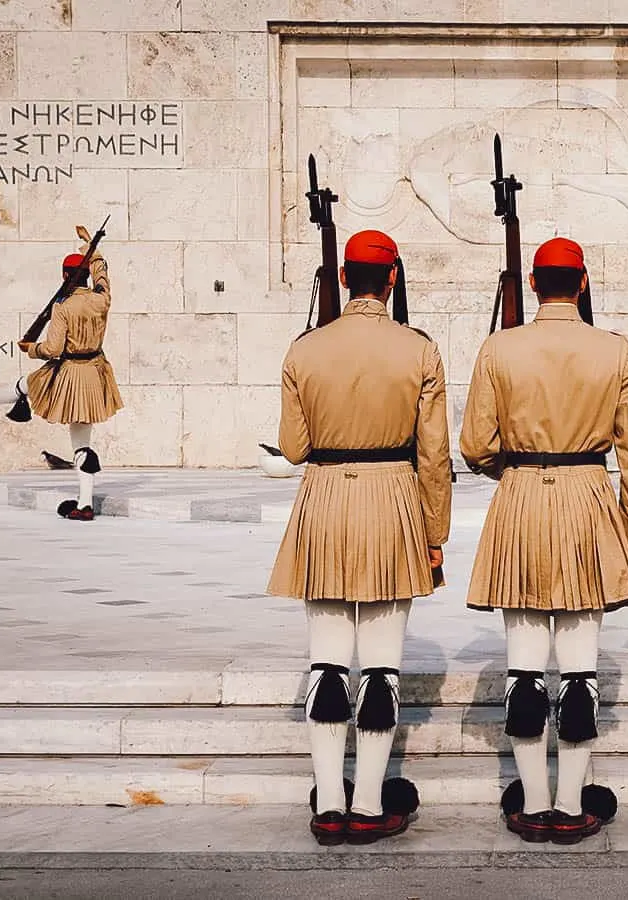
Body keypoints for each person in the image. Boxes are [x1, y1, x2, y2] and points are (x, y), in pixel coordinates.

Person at [460, 237, 628, 845]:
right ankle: (571, 803)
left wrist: (514, 472)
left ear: (535, 286)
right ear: (584, 282)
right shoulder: (615, 351)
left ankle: (532, 801)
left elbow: (474, 445)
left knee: (523, 665)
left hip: (521, 495)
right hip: (589, 497)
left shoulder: (500, 348)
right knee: (579, 668)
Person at [267, 229, 452, 846]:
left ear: (344, 279)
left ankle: (328, 803)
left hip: (324, 498)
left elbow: (293, 448)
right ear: (392, 279)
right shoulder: (419, 350)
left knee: (326, 661)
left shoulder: (304, 350)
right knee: (380, 667)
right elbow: (434, 456)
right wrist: (435, 531)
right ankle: (370, 803)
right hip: (393, 497)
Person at [0, 225, 123, 520]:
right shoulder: (102, 298)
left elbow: (52, 349)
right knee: (82, 442)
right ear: (87, 275)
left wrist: (30, 348)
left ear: (65, 277)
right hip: (96, 372)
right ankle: (85, 504)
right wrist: (91, 245)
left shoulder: (62, 307)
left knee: (28, 384)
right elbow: (102, 273)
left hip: (68, 371)